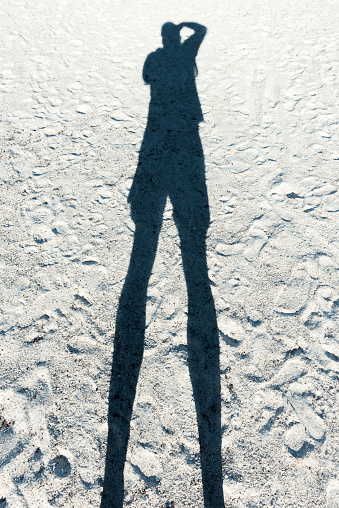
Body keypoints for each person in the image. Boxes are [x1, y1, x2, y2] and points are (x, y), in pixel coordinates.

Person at [101, 22, 225, 508]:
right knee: (191, 259)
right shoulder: (176, 54)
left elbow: (152, 72)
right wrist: (184, 35)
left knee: (146, 255)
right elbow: (203, 31)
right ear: (176, 37)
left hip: (158, 144)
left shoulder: (157, 60)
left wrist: (173, 39)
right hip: (182, 143)